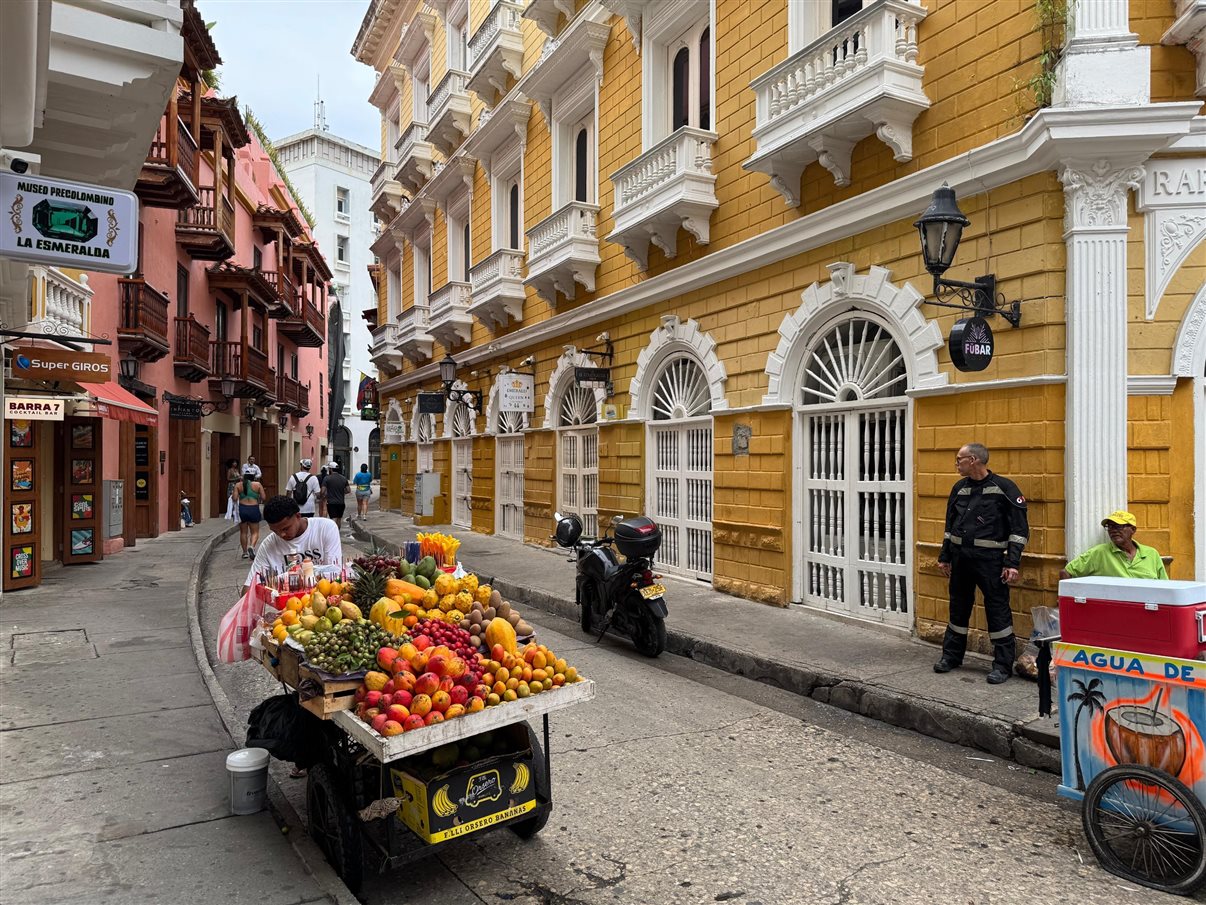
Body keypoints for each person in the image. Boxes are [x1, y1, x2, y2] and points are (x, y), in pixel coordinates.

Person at [935, 442, 1029, 685]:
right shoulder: (959, 488)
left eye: (959, 459)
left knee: (997, 611)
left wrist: (1012, 563)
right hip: (960, 560)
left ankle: (1002, 665)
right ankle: (951, 656)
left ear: (974, 460)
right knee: (958, 608)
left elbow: (1019, 531)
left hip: (991, 563)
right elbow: (949, 527)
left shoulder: (1004, 488)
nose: (957, 464)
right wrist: (945, 557)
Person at [243, 495, 343, 594]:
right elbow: (249, 587)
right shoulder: (268, 545)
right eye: (275, 531)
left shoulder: (325, 528)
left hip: (322, 600)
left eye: (285, 529)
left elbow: (334, 573)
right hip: (290, 606)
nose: (281, 535)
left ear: (298, 516)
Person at [1060, 510, 1169, 581]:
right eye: (1110, 527)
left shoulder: (1151, 554)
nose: (1113, 530)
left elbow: (1165, 586)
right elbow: (1066, 572)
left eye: (1118, 526)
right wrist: (1067, 600)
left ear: (1133, 529)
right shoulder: (1100, 553)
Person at [233, 469, 265, 559]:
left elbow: (235, 498)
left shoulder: (238, 485)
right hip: (253, 509)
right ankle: (252, 546)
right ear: (253, 476)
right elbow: (264, 497)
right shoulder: (257, 485)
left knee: (243, 532)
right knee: (255, 532)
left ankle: (244, 552)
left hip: (242, 509)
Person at [320, 462, 350, 532]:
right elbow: (348, 490)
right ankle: (337, 533)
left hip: (331, 502)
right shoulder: (343, 478)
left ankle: (333, 533)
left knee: (333, 518)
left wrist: (323, 496)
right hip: (341, 503)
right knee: (339, 519)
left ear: (330, 469)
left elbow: (322, 491)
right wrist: (342, 492)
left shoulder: (327, 479)